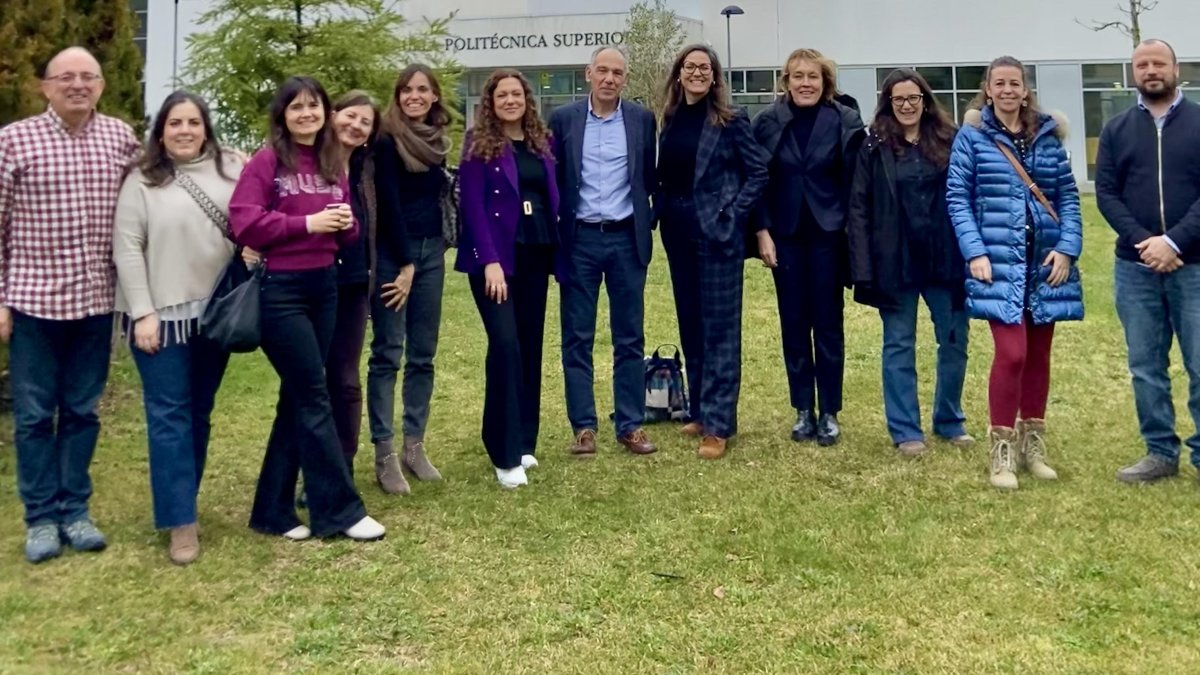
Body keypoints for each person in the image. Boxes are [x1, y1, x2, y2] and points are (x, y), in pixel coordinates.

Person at [0, 47, 140, 564]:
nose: (78, 84)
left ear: (101, 86)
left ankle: (75, 510)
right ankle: (39, 518)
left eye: (88, 77)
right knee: (35, 416)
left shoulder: (120, 138)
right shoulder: (13, 141)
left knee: (82, 412)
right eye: (67, 77)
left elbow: (155, 183)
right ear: (46, 86)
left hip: (95, 304)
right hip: (34, 303)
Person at [228, 76, 384, 541]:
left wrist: (344, 224)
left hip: (326, 286)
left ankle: (272, 510)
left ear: (324, 112)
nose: (306, 114)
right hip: (283, 292)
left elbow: (344, 232)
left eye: (313, 106)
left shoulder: (330, 161)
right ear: (283, 115)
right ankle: (338, 510)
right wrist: (309, 222)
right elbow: (245, 222)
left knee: (294, 399)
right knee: (315, 395)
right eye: (296, 107)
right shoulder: (267, 162)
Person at [113, 91, 248, 565]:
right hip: (161, 319)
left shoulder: (231, 169)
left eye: (193, 122)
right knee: (169, 417)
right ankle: (181, 522)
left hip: (215, 315)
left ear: (206, 127)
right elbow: (128, 249)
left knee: (199, 411)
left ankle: (182, 500)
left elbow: (250, 221)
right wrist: (143, 312)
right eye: (175, 123)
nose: (185, 130)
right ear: (161, 131)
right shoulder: (141, 180)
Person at [947, 56, 1084, 490]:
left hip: (1043, 264)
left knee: (1039, 355)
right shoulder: (971, 139)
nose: (1007, 90)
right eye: (999, 83)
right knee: (1013, 353)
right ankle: (1002, 450)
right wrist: (974, 252)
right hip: (997, 264)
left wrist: (1067, 249)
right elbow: (957, 198)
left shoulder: (1047, 137)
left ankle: (1033, 443)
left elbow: (1068, 198)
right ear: (987, 90)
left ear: (1026, 91)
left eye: (1015, 84)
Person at [847, 69, 973, 458]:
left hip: (944, 259)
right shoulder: (873, 146)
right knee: (899, 345)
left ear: (924, 100)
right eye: (898, 99)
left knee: (954, 341)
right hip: (895, 262)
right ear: (888, 103)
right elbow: (859, 208)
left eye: (913, 98)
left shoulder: (950, 140)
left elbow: (969, 192)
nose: (906, 105)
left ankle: (949, 419)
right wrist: (863, 267)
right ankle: (905, 430)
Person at [655, 44, 769, 459]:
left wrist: (733, 213)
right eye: (690, 67)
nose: (697, 73)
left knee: (720, 329)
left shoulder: (731, 119)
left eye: (705, 67)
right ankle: (701, 409)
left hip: (717, 233)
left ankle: (720, 425)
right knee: (692, 324)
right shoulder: (669, 117)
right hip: (677, 229)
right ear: (679, 74)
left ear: (715, 76)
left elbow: (758, 171)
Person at [1097, 40, 1200, 484]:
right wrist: (1146, 243)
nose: (1151, 70)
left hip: (1194, 265)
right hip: (1135, 268)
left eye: (1159, 63)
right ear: (1132, 73)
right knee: (1145, 366)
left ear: (1176, 69)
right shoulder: (1117, 129)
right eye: (1142, 65)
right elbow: (1106, 194)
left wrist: (1174, 243)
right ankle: (1160, 452)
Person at [751, 48, 865, 447]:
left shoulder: (843, 120)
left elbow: (855, 182)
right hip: (785, 236)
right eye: (797, 76)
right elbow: (756, 180)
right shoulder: (767, 122)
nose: (805, 83)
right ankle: (803, 408)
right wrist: (761, 230)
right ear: (786, 81)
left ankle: (830, 410)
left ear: (824, 81)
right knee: (794, 324)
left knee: (828, 325)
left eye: (812, 76)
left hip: (828, 234)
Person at [549, 46, 658, 457]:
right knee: (577, 337)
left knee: (629, 336)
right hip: (580, 240)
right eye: (603, 71)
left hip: (626, 238)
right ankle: (583, 427)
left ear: (624, 79)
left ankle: (630, 424)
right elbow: (554, 177)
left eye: (617, 73)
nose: (610, 79)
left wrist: (648, 221)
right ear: (588, 74)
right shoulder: (563, 120)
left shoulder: (642, 120)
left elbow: (649, 177)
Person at [456, 69, 560, 487]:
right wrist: (489, 261)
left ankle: (523, 441)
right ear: (491, 102)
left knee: (529, 347)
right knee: (504, 346)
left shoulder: (541, 142)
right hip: (497, 261)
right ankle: (502, 452)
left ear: (526, 99)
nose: (511, 100)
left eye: (517, 93)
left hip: (536, 254)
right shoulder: (477, 144)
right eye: (503, 95)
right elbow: (474, 208)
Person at [368, 64, 451, 494]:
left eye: (422, 89)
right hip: (393, 257)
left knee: (423, 354)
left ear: (434, 96)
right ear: (397, 95)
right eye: (406, 89)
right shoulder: (384, 139)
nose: (414, 96)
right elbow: (388, 204)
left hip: (430, 252)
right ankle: (384, 452)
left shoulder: (436, 141)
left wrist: (422, 258)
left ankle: (413, 446)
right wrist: (403, 264)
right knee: (387, 353)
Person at [325, 90, 379, 479]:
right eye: (350, 115)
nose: (356, 125)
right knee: (311, 379)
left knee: (345, 378)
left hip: (354, 284)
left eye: (365, 122)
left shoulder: (366, 171)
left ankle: (342, 465)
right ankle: (311, 465)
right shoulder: (306, 165)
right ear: (332, 115)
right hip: (309, 284)